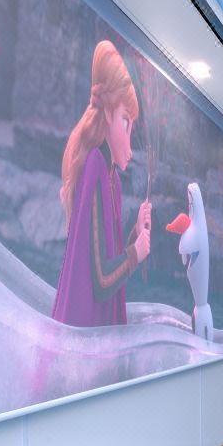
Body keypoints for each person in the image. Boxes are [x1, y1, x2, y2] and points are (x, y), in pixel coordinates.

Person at [51, 40, 151, 326]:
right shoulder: (95, 164)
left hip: (96, 328)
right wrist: (136, 253)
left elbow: (110, 262)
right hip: (85, 332)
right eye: (124, 121)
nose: (128, 136)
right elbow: (102, 280)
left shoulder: (112, 178)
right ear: (108, 114)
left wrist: (134, 236)